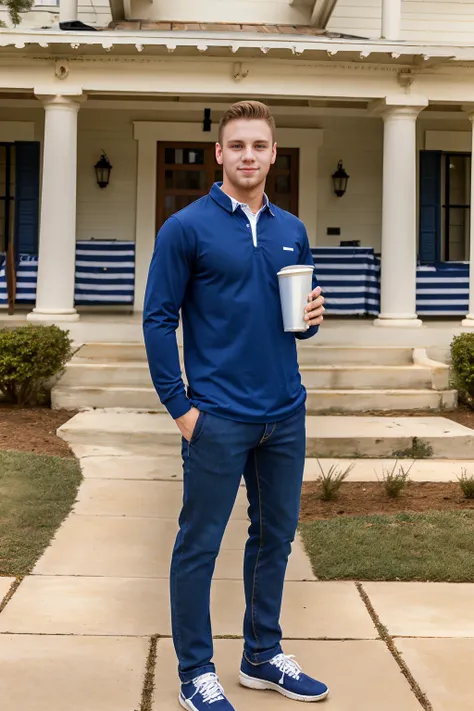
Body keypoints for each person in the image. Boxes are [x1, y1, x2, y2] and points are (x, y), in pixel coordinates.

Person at [143, 100, 328, 710]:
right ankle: (196, 672)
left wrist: (311, 323)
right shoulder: (185, 228)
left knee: (274, 538)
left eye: (260, 145)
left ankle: (261, 655)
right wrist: (182, 409)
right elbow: (157, 319)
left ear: (274, 154)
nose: (249, 155)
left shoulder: (291, 230)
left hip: (285, 412)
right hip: (217, 417)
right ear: (219, 154)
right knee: (199, 544)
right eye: (238, 145)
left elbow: (293, 322)